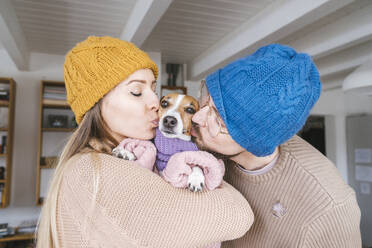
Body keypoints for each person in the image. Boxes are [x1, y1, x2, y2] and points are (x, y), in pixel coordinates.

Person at [36, 36, 254, 248]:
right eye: (137, 91)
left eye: (153, 90)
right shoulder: (93, 171)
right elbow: (237, 216)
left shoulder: (131, 160)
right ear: (97, 104)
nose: (155, 102)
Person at [191, 44, 362, 247]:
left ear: (254, 138)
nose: (196, 117)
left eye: (219, 119)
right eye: (206, 99)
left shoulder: (329, 208)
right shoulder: (202, 144)